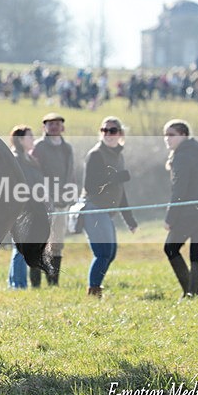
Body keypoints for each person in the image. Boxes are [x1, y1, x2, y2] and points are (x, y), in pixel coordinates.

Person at [81, 117, 137, 297]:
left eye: (112, 130)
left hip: (107, 212)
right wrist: (116, 177)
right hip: (94, 208)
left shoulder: (118, 155)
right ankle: (93, 291)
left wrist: (129, 219)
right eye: (104, 130)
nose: (108, 134)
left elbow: (120, 192)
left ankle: (96, 287)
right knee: (103, 253)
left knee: (110, 254)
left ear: (120, 133)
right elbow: (90, 186)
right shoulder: (96, 154)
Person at [163, 119, 198, 297]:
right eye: (165, 135)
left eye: (171, 135)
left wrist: (170, 218)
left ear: (183, 135)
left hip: (192, 213)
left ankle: (189, 292)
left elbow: (179, 190)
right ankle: (192, 294)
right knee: (196, 254)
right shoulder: (194, 152)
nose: (167, 139)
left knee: (170, 248)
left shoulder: (182, 156)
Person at [31, 112, 76, 286]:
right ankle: (36, 283)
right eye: (50, 124)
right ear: (44, 127)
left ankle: (53, 282)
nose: (54, 126)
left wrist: (70, 193)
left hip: (62, 203)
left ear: (62, 127)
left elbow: (70, 173)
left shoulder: (67, 148)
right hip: (43, 204)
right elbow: (35, 174)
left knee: (57, 243)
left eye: (57, 123)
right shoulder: (39, 146)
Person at [7, 125, 45, 289]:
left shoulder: (29, 159)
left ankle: (13, 282)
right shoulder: (15, 159)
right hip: (21, 208)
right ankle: (18, 284)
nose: (33, 140)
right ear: (20, 140)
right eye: (30, 137)